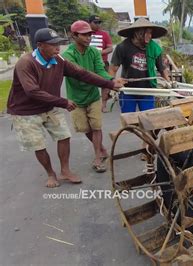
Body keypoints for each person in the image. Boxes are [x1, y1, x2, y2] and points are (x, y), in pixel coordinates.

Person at [6, 28, 124, 188]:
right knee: (38, 144)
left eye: (59, 44)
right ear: (40, 45)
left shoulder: (58, 60)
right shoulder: (26, 63)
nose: (57, 48)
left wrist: (110, 84)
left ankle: (65, 170)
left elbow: (82, 73)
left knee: (64, 136)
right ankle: (50, 174)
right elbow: (32, 91)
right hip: (25, 111)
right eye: (53, 44)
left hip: (49, 105)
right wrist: (62, 101)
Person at [62, 20, 125, 173]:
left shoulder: (94, 52)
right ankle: (101, 148)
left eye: (90, 34)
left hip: (92, 96)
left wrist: (111, 79)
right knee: (85, 128)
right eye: (84, 35)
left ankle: (97, 157)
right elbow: (81, 75)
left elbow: (100, 71)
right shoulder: (67, 55)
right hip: (76, 98)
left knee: (96, 126)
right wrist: (109, 83)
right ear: (74, 36)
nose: (88, 37)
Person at [109, 18, 171, 114]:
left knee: (148, 119)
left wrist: (169, 83)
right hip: (128, 90)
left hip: (147, 90)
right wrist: (112, 84)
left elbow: (162, 69)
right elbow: (113, 69)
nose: (149, 36)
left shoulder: (154, 48)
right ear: (136, 33)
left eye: (150, 33)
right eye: (145, 33)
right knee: (128, 119)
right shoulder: (123, 47)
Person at [88, 15, 114, 113]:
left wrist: (99, 53)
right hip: (88, 63)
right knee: (89, 83)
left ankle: (103, 104)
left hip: (102, 62)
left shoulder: (104, 34)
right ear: (89, 23)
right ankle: (91, 105)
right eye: (95, 22)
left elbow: (110, 48)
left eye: (99, 22)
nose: (98, 25)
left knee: (105, 83)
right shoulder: (85, 34)